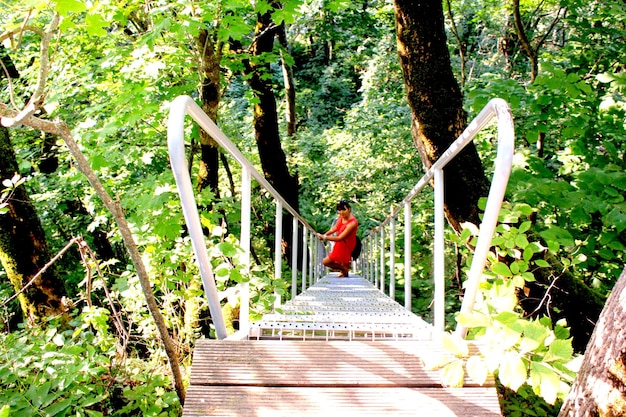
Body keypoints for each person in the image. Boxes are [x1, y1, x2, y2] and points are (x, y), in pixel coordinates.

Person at [317, 200, 359, 277]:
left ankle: (344, 270)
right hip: (340, 243)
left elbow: (340, 237)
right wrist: (324, 235)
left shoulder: (352, 223)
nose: (341, 212)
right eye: (339, 210)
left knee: (325, 262)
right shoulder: (341, 217)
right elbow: (335, 228)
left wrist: (325, 237)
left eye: (344, 209)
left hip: (346, 244)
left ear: (349, 209)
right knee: (342, 262)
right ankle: (344, 271)